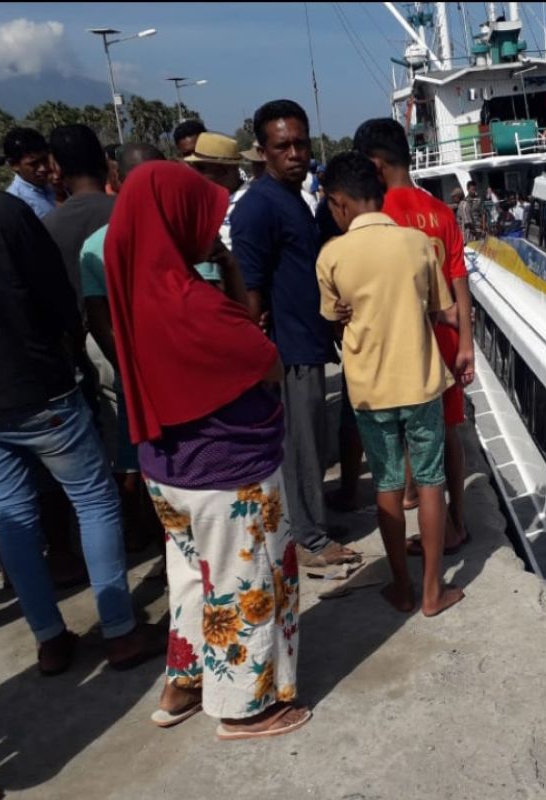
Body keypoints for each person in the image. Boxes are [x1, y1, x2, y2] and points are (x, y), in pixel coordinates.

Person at [0, 82, 155, 675]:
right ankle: (120, 631)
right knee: (94, 500)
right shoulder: (0, 211)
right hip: (39, 388)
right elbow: (56, 304)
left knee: (12, 512)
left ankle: (50, 637)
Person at [104, 160, 308, 739]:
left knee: (193, 579)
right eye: (204, 215)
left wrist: (225, 266)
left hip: (167, 469)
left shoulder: (133, 287)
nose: (213, 227)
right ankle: (247, 709)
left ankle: (184, 684)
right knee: (246, 584)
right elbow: (263, 358)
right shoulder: (190, 302)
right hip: (227, 473)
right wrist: (231, 271)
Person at [317, 152, 465, 617]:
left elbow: (333, 321)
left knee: (386, 484)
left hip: (369, 390)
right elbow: (444, 308)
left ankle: (400, 588)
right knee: (429, 482)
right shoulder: (418, 243)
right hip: (421, 383)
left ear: (339, 203)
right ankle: (432, 591)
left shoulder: (332, 255)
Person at [231, 100, 358, 570]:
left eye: (300, 143)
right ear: (262, 150)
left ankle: (313, 521)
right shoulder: (259, 208)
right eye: (282, 145)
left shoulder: (295, 199)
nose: (295, 153)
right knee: (299, 447)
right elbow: (251, 286)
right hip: (287, 349)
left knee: (311, 445)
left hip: (309, 339)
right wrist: (261, 353)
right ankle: (306, 539)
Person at [353, 117, 474, 553]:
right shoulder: (441, 211)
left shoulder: (376, 217)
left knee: (403, 431)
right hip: (444, 341)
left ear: (375, 164)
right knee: (449, 430)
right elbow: (460, 284)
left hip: (399, 343)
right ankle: (457, 521)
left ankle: (409, 497)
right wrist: (466, 347)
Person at [79, 143, 168, 552]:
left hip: (140, 367)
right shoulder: (180, 233)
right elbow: (99, 318)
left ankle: (149, 535)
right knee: (140, 457)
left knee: (135, 453)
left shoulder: (96, 243)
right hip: (151, 367)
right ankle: (152, 534)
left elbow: (99, 319)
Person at [43, 124, 117, 307]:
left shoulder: (47, 226)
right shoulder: (133, 212)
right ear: (104, 160)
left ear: (57, 169)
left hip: (81, 331)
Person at [184, 132, 248, 254]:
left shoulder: (251, 202)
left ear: (224, 170)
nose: (195, 173)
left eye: (201, 168)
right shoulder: (205, 201)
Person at [3, 125, 55, 218]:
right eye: (33, 164)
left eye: (45, 160)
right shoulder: (15, 201)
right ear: (14, 165)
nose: (43, 168)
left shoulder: (53, 186)